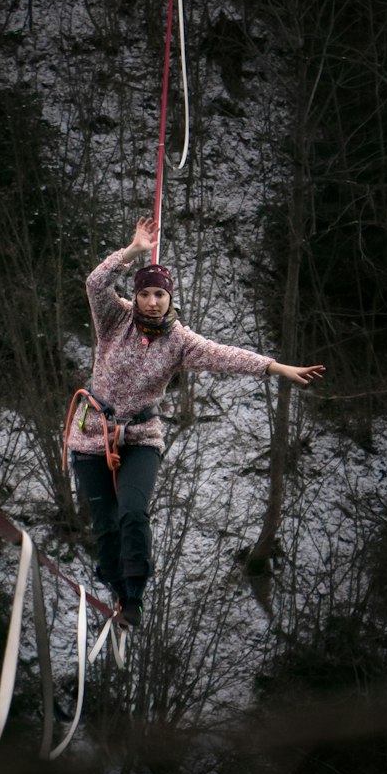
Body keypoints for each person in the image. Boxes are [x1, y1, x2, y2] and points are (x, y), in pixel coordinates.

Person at [64, 216, 324, 629]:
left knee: (133, 512)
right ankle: (114, 586)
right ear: (136, 296)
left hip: (140, 437)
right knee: (105, 525)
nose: (152, 301)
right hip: (93, 433)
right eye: (145, 294)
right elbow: (96, 283)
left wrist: (275, 368)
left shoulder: (179, 341)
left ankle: (133, 594)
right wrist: (133, 251)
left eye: (159, 295)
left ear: (170, 299)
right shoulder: (115, 320)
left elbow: (226, 355)